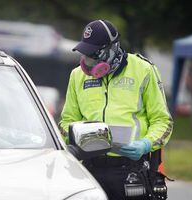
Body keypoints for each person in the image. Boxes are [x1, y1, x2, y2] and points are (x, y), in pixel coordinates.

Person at [59, 19, 173, 199]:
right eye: (85, 55)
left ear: (111, 50)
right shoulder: (77, 76)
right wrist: (77, 137)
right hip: (91, 168)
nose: (87, 63)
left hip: (131, 169)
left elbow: (163, 122)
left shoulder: (144, 70)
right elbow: (66, 121)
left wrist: (145, 145)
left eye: (93, 55)